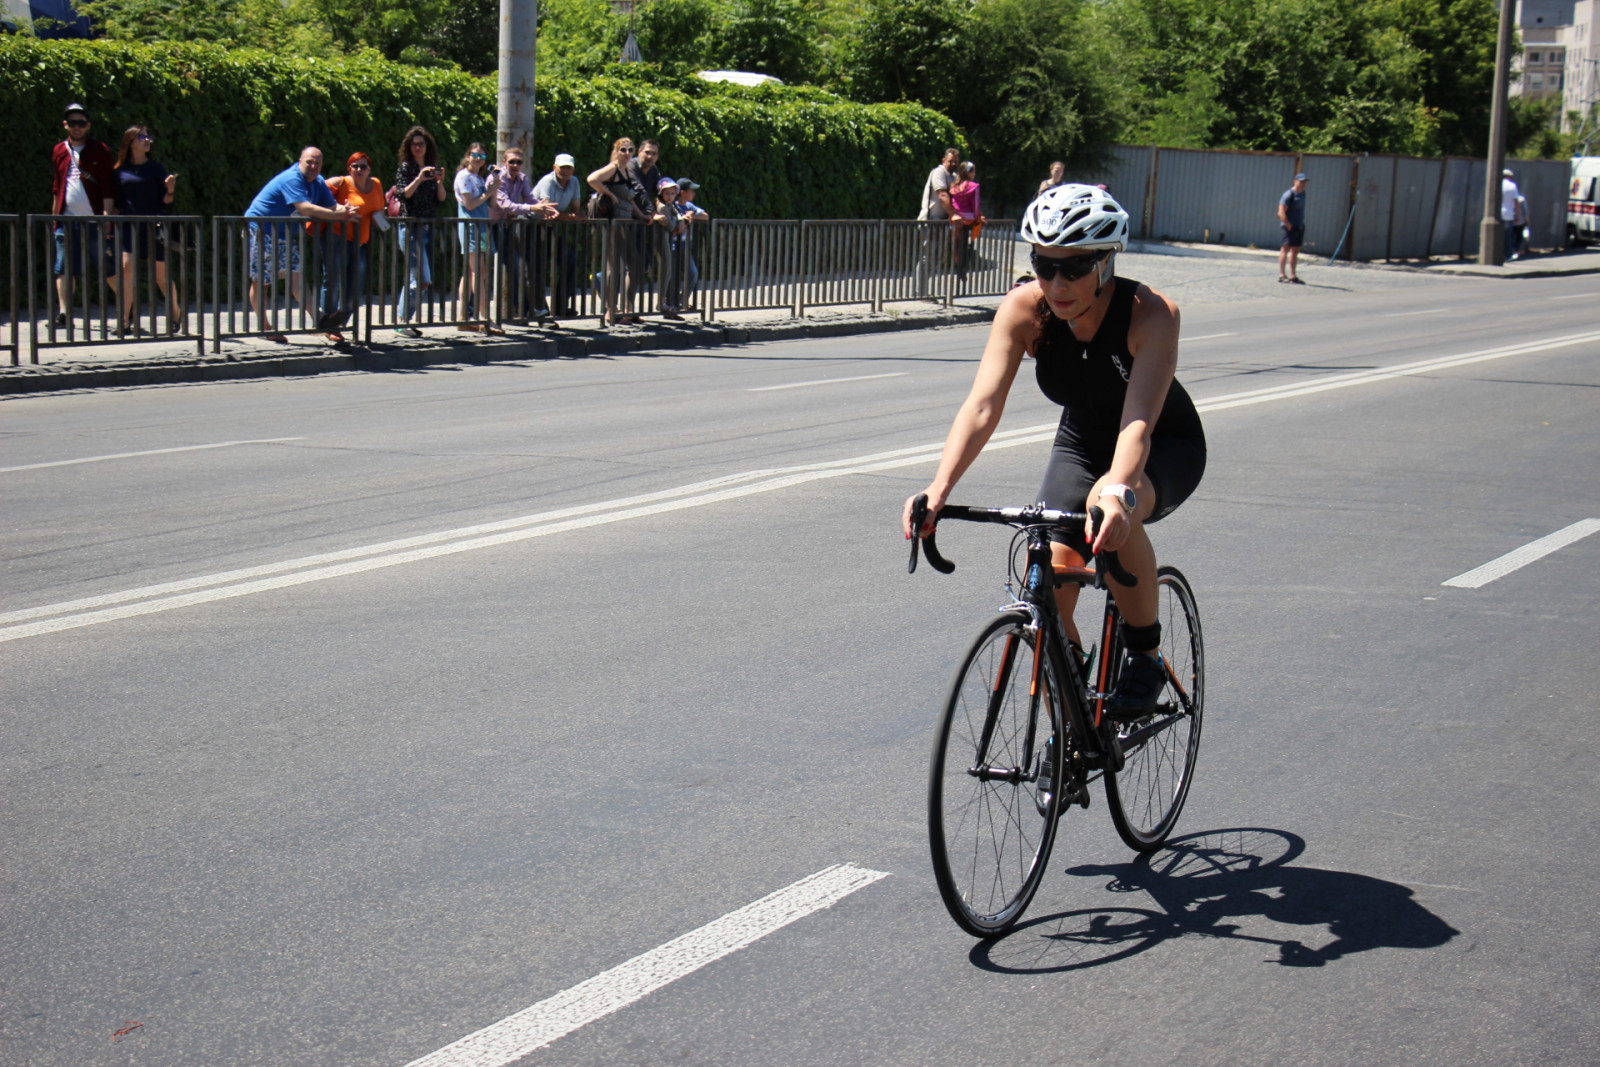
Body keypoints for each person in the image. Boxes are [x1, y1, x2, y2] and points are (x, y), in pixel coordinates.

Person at [904, 184, 1206, 721]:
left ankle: (1145, 653)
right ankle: (1070, 717)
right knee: (1044, 578)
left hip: (1161, 442)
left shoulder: (1151, 314)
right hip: (1082, 441)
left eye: (1075, 267)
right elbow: (982, 406)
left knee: (1110, 506)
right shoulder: (1025, 308)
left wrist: (1119, 492)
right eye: (1044, 265)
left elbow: (1138, 421)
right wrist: (939, 488)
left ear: (1107, 261)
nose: (1057, 283)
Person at [244, 146, 354, 342]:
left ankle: (320, 319)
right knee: (261, 279)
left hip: (285, 233)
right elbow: (305, 208)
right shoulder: (292, 178)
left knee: (297, 275)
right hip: (263, 229)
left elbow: (332, 206)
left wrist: (347, 210)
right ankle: (264, 327)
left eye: (317, 163)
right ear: (300, 161)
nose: (313, 166)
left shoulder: (318, 182)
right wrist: (337, 215)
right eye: (309, 161)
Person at [50, 102, 117, 329]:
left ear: (88, 126)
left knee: (107, 267)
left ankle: (128, 307)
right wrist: (54, 219)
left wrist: (107, 218)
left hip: (94, 219)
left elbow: (108, 186)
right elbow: (57, 187)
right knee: (64, 267)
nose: (76, 127)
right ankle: (64, 313)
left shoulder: (100, 150)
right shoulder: (59, 150)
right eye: (72, 123)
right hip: (67, 219)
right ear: (65, 125)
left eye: (81, 123)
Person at [111, 124, 178, 335]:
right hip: (129, 225)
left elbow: (166, 202)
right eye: (142, 137)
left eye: (149, 137)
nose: (147, 141)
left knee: (161, 276)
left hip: (153, 225)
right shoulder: (120, 171)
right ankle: (123, 321)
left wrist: (170, 190)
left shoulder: (156, 169)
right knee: (126, 268)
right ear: (130, 141)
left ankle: (176, 312)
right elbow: (117, 203)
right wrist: (108, 226)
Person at [319, 152, 386, 344]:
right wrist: (338, 209)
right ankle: (329, 324)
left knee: (355, 284)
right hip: (337, 237)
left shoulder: (376, 184)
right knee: (333, 280)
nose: (359, 170)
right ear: (348, 168)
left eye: (363, 166)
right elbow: (317, 192)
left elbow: (379, 207)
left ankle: (340, 321)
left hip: (361, 241)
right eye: (354, 166)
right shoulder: (341, 182)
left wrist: (378, 218)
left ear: (369, 169)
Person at [587, 138, 651, 326]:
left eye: (630, 149)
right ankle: (610, 310)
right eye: (623, 149)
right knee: (612, 266)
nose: (627, 152)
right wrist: (609, 194)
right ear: (616, 151)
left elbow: (630, 199)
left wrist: (641, 215)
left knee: (636, 264)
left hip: (627, 222)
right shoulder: (613, 168)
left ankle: (627, 308)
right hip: (614, 223)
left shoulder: (627, 170)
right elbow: (592, 179)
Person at [489, 146, 556, 321]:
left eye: (519, 162)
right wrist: (534, 208)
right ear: (504, 162)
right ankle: (472, 311)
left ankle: (525, 309)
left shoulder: (522, 178)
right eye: (512, 161)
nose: (515, 165)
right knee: (478, 271)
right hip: (491, 226)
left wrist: (545, 210)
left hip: (507, 225)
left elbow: (530, 198)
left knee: (518, 267)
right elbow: (505, 204)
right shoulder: (497, 178)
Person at [394, 125, 448, 338]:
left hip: (426, 228)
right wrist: (419, 178)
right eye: (414, 144)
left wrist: (439, 181)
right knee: (421, 279)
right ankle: (401, 321)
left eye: (422, 144)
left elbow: (442, 199)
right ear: (409, 147)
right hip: (409, 227)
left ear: (428, 146)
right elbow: (403, 194)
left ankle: (402, 320)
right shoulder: (406, 168)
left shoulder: (431, 167)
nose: (418, 147)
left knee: (416, 278)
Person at [531, 152, 584, 316]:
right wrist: (570, 216)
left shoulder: (574, 182)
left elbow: (576, 208)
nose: (565, 171)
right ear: (554, 167)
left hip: (550, 228)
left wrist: (572, 215)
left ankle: (560, 306)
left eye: (569, 167)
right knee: (536, 268)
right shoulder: (547, 181)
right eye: (562, 167)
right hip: (533, 227)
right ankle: (540, 309)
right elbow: (548, 210)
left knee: (570, 260)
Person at [453, 142, 495, 332]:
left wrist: (494, 184)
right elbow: (469, 204)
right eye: (475, 155)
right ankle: (482, 317)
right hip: (471, 227)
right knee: (477, 272)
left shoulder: (478, 178)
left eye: (482, 156)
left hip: (482, 226)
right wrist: (488, 193)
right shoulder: (463, 176)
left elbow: (490, 203)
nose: (478, 159)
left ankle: (464, 317)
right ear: (468, 156)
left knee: (475, 273)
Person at [916, 147, 961, 296]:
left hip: (942, 222)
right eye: (950, 161)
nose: (953, 164)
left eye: (956, 161)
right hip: (930, 220)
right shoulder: (938, 172)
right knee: (926, 257)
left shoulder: (953, 175)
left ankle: (927, 290)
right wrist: (954, 214)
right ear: (943, 161)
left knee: (938, 257)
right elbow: (942, 194)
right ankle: (920, 291)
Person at [628, 139, 665, 312]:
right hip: (624, 220)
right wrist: (652, 212)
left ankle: (628, 309)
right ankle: (624, 309)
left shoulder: (653, 171)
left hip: (641, 221)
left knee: (642, 264)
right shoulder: (631, 166)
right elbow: (638, 190)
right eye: (647, 152)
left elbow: (660, 193)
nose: (650, 156)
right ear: (639, 152)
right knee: (629, 264)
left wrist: (669, 213)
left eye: (654, 153)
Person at [651, 177, 688, 320]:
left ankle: (662, 301)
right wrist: (677, 222)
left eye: (673, 194)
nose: (671, 197)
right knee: (666, 270)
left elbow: (677, 212)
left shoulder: (669, 205)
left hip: (666, 239)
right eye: (667, 194)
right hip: (660, 240)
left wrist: (680, 219)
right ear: (661, 193)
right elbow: (671, 226)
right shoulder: (662, 207)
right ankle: (661, 303)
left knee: (668, 271)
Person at [949, 160, 985, 288]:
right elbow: (975, 205)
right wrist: (977, 218)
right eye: (973, 171)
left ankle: (958, 266)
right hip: (969, 219)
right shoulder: (974, 186)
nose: (975, 173)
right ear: (969, 173)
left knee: (958, 244)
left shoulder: (953, 187)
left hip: (955, 219)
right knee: (967, 244)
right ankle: (963, 269)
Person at [677, 178, 709, 310]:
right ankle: (667, 302)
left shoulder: (689, 206)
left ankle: (681, 300)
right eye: (691, 191)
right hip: (673, 245)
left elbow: (705, 216)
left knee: (693, 273)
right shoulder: (674, 205)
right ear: (683, 192)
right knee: (671, 276)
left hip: (685, 247)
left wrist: (692, 216)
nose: (694, 194)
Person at [1277, 172, 1307, 284]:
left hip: (1299, 225)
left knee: (1295, 251)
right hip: (1289, 226)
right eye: (1301, 181)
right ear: (1295, 181)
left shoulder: (1303, 194)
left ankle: (1293, 276)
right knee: (1285, 249)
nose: (1303, 184)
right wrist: (1288, 224)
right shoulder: (1289, 194)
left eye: (1304, 182)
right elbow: (1280, 211)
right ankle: (1282, 275)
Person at [1501, 169, 1524, 261]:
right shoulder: (1512, 186)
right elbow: (1516, 202)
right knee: (1508, 236)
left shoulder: (1496, 184)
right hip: (1508, 214)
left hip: (1497, 213)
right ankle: (1508, 255)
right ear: (1509, 177)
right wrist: (1518, 215)